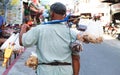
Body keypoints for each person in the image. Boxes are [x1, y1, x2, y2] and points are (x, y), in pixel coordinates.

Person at [19, 2, 81, 75]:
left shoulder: (39, 29)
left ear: (52, 14)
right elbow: (76, 59)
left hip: (45, 71)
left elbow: (22, 42)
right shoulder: (72, 33)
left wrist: (23, 28)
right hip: (65, 71)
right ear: (64, 16)